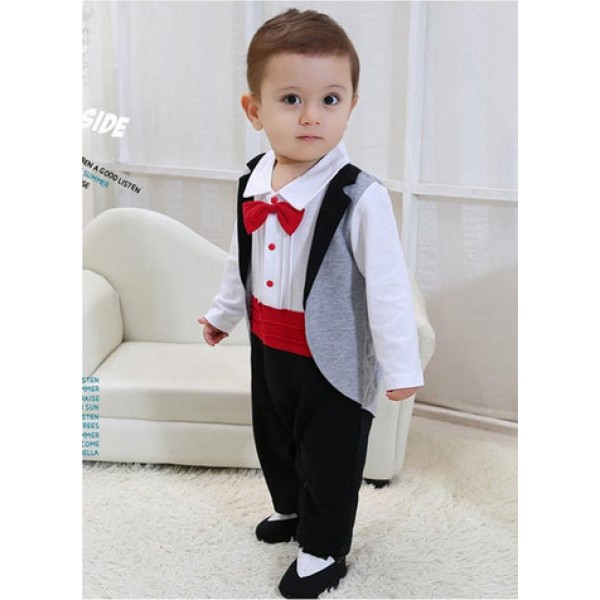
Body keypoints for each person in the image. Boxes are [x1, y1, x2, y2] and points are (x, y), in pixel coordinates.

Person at [198, 8, 424, 598]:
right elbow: (240, 257)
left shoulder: (360, 196)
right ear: (254, 110)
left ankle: (324, 548)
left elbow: (388, 287)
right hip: (269, 344)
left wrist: (400, 366)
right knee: (276, 438)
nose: (311, 116)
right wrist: (223, 314)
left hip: (334, 357)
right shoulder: (254, 179)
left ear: (352, 105)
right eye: (291, 99)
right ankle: (292, 509)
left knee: (329, 455)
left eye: (330, 99)